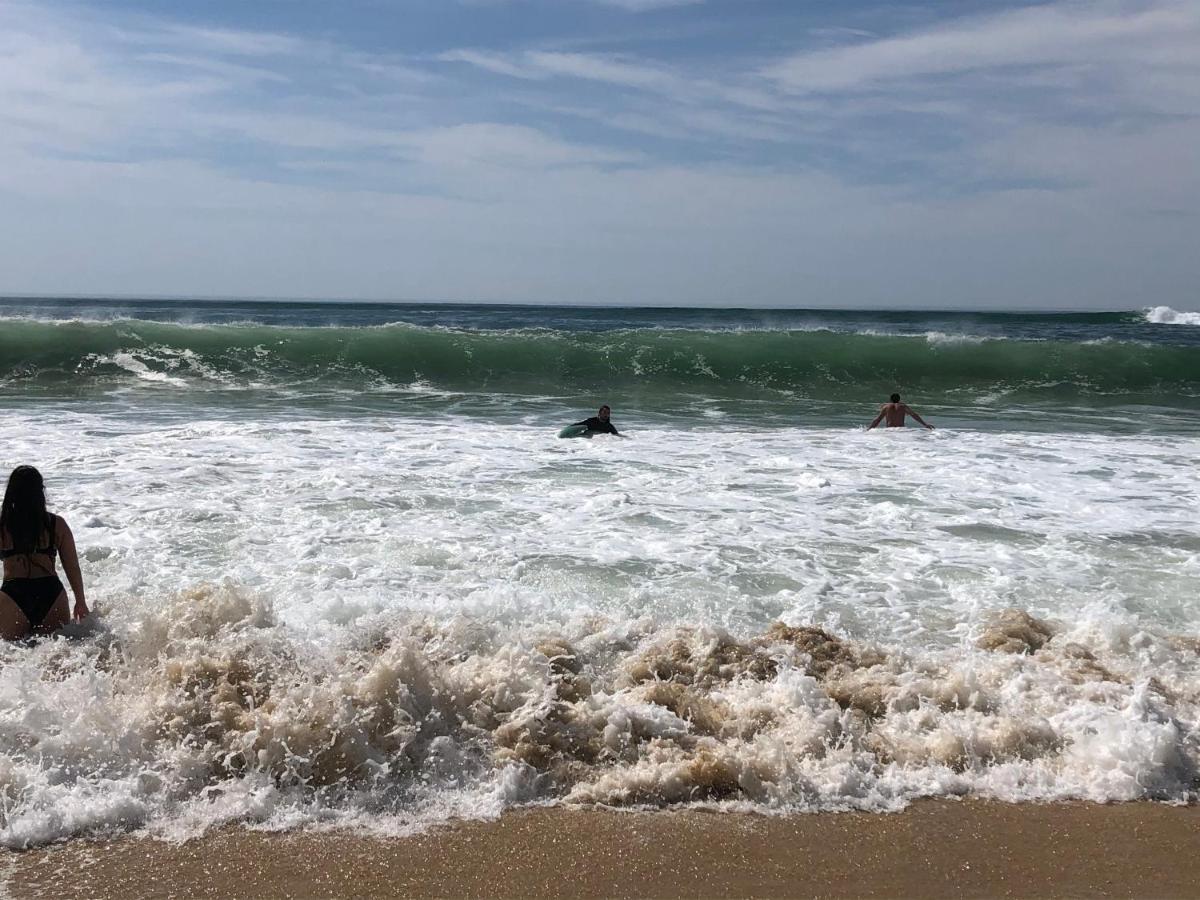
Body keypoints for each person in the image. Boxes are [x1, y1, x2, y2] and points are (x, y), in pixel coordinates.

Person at [0, 466, 88, 639]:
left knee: (12, 658)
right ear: (40, 492)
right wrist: (80, 601)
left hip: (13, 595)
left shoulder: (2, 527)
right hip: (51, 594)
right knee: (57, 658)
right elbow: (72, 566)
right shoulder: (57, 524)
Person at [867, 393, 934, 430]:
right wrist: (925, 424)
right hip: (901, 430)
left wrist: (869, 429)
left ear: (890, 399)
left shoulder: (886, 407)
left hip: (889, 430)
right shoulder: (903, 406)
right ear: (899, 399)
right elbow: (914, 415)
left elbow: (877, 420)